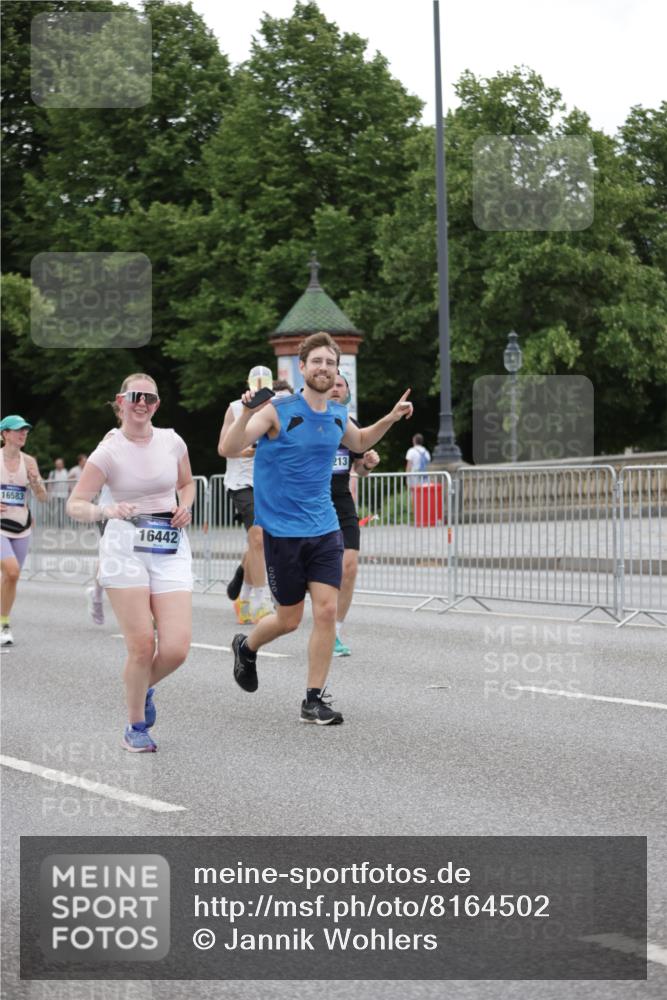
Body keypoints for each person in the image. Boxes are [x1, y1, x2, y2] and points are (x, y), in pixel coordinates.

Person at [219, 331, 413, 725]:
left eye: (330, 363)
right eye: (317, 362)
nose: (323, 368)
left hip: (324, 528)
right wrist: (245, 413)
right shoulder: (275, 409)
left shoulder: (339, 415)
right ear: (302, 368)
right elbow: (227, 448)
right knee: (289, 620)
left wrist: (390, 419)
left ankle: (313, 699)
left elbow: (359, 440)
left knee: (325, 612)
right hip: (282, 533)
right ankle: (247, 647)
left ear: (336, 371)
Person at [67, 374, 195, 753]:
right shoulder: (108, 451)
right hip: (125, 543)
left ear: (157, 404)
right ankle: (135, 724)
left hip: (169, 543)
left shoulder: (172, 441)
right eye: (136, 396)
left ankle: (143, 686)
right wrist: (106, 509)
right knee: (141, 645)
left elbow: (187, 484)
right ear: (121, 401)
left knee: (176, 648)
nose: (143, 403)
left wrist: (185, 505)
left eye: (151, 398)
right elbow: (75, 504)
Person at [329, 373, 380, 657]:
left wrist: (367, 464)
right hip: (310, 502)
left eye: (341, 385)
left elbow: (358, 469)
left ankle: (334, 632)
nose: (335, 388)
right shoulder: (309, 422)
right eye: (332, 384)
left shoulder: (351, 427)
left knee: (349, 566)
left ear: (347, 392)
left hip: (341, 500)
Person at [218, 366, 273, 625]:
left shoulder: (278, 407)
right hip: (241, 482)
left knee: (258, 542)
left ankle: (244, 592)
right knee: (258, 538)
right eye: (256, 385)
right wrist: (245, 452)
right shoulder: (235, 407)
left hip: (269, 483)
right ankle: (262, 602)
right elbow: (223, 448)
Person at [0, 415, 48, 646]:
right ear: (5, 434)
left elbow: (42, 497)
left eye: (26, 430)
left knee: (12, 577)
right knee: (11, 571)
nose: (23, 434)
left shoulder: (29, 461)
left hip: (21, 527)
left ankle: (3, 622)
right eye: (18, 430)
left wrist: (35, 481)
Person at [47, 457, 69, 528]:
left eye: (60, 464)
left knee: (63, 510)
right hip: (55, 495)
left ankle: (63, 523)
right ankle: (56, 524)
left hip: (64, 495)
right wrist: (49, 494)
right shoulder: (52, 473)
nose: (58, 465)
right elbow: (49, 484)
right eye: (57, 464)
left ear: (63, 464)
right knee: (56, 511)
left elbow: (69, 483)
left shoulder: (66, 472)